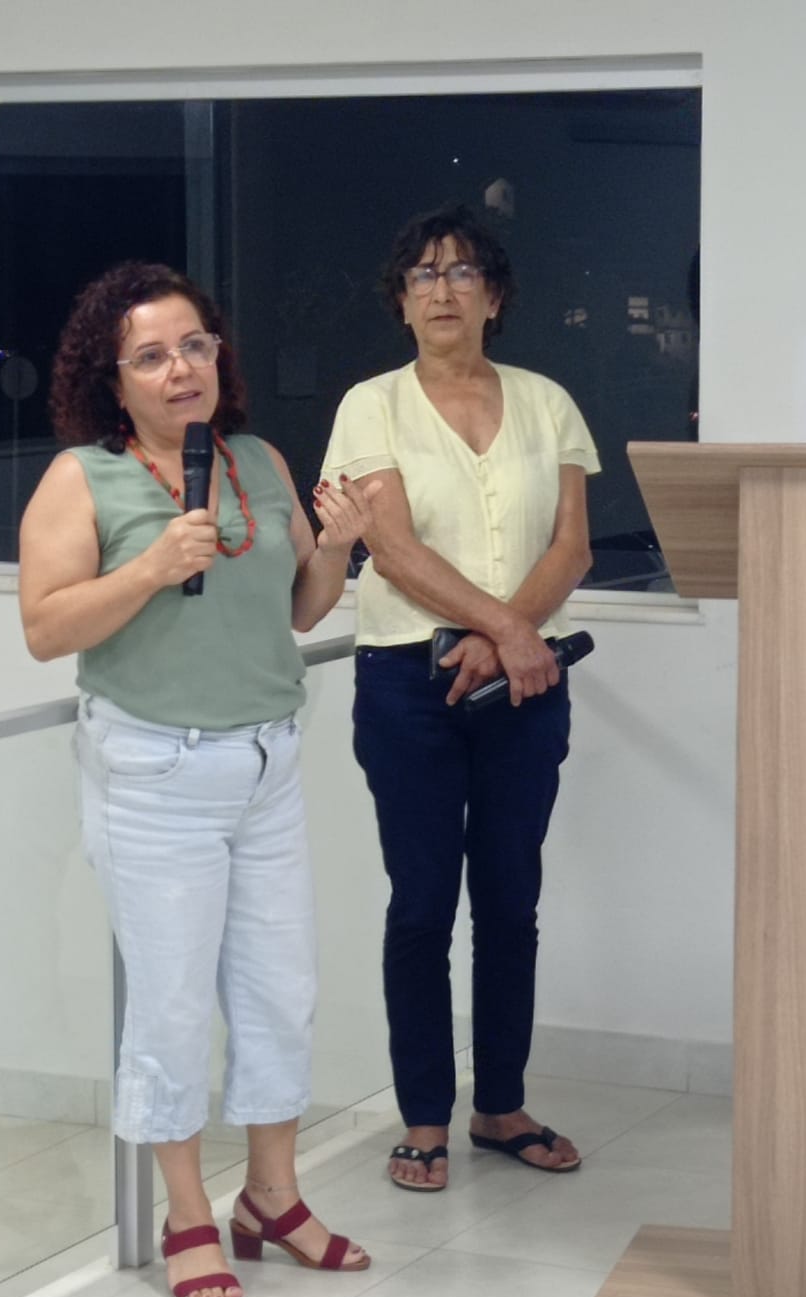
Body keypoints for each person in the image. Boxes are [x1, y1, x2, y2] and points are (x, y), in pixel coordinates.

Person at [19, 262, 370, 1297]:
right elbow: (45, 629)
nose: (182, 369)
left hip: (266, 763)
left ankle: (272, 1198)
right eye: (152, 355)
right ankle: (185, 1214)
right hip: (154, 772)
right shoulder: (83, 479)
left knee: (280, 990)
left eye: (195, 345)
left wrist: (339, 546)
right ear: (112, 379)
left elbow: (299, 607)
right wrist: (148, 568)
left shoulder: (256, 459)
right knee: (171, 1005)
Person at [319, 205, 598, 1192]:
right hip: (409, 681)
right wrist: (511, 633)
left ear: (495, 295)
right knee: (423, 903)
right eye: (423, 275)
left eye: (463, 271)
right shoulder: (370, 406)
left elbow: (571, 546)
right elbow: (390, 548)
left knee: (511, 901)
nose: (443, 289)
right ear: (401, 302)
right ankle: (425, 1117)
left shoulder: (547, 402)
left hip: (523, 682)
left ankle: (500, 1105)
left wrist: (504, 637)